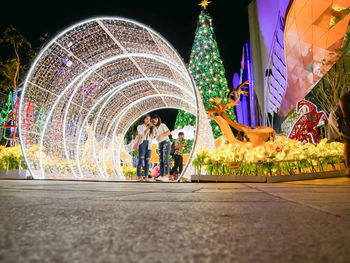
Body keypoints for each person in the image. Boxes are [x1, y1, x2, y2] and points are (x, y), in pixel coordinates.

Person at [328, 89, 350, 178]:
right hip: (342, 113)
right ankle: (349, 168)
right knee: (348, 138)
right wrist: (346, 118)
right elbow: (343, 100)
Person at [152, 115, 171, 182]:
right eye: (153, 120)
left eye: (156, 119)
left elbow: (168, 132)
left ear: (158, 119)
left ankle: (166, 176)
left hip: (166, 142)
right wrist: (153, 128)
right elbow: (152, 136)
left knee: (165, 159)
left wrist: (161, 135)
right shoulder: (155, 128)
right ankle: (162, 175)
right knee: (161, 160)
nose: (154, 121)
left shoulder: (162, 125)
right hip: (159, 143)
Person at [136, 114, 155, 181]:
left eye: (149, 119)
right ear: (143, 119)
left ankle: (146, 176)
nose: (148, 120)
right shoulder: (140, 126)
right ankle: (139, 176)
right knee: (141, 160)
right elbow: (142, 134)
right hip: (142, 143)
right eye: (146, 119)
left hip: (149, 144)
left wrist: (153, 129)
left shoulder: (150, 128)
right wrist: (148, 127)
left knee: (147, 161)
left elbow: (152, 137)